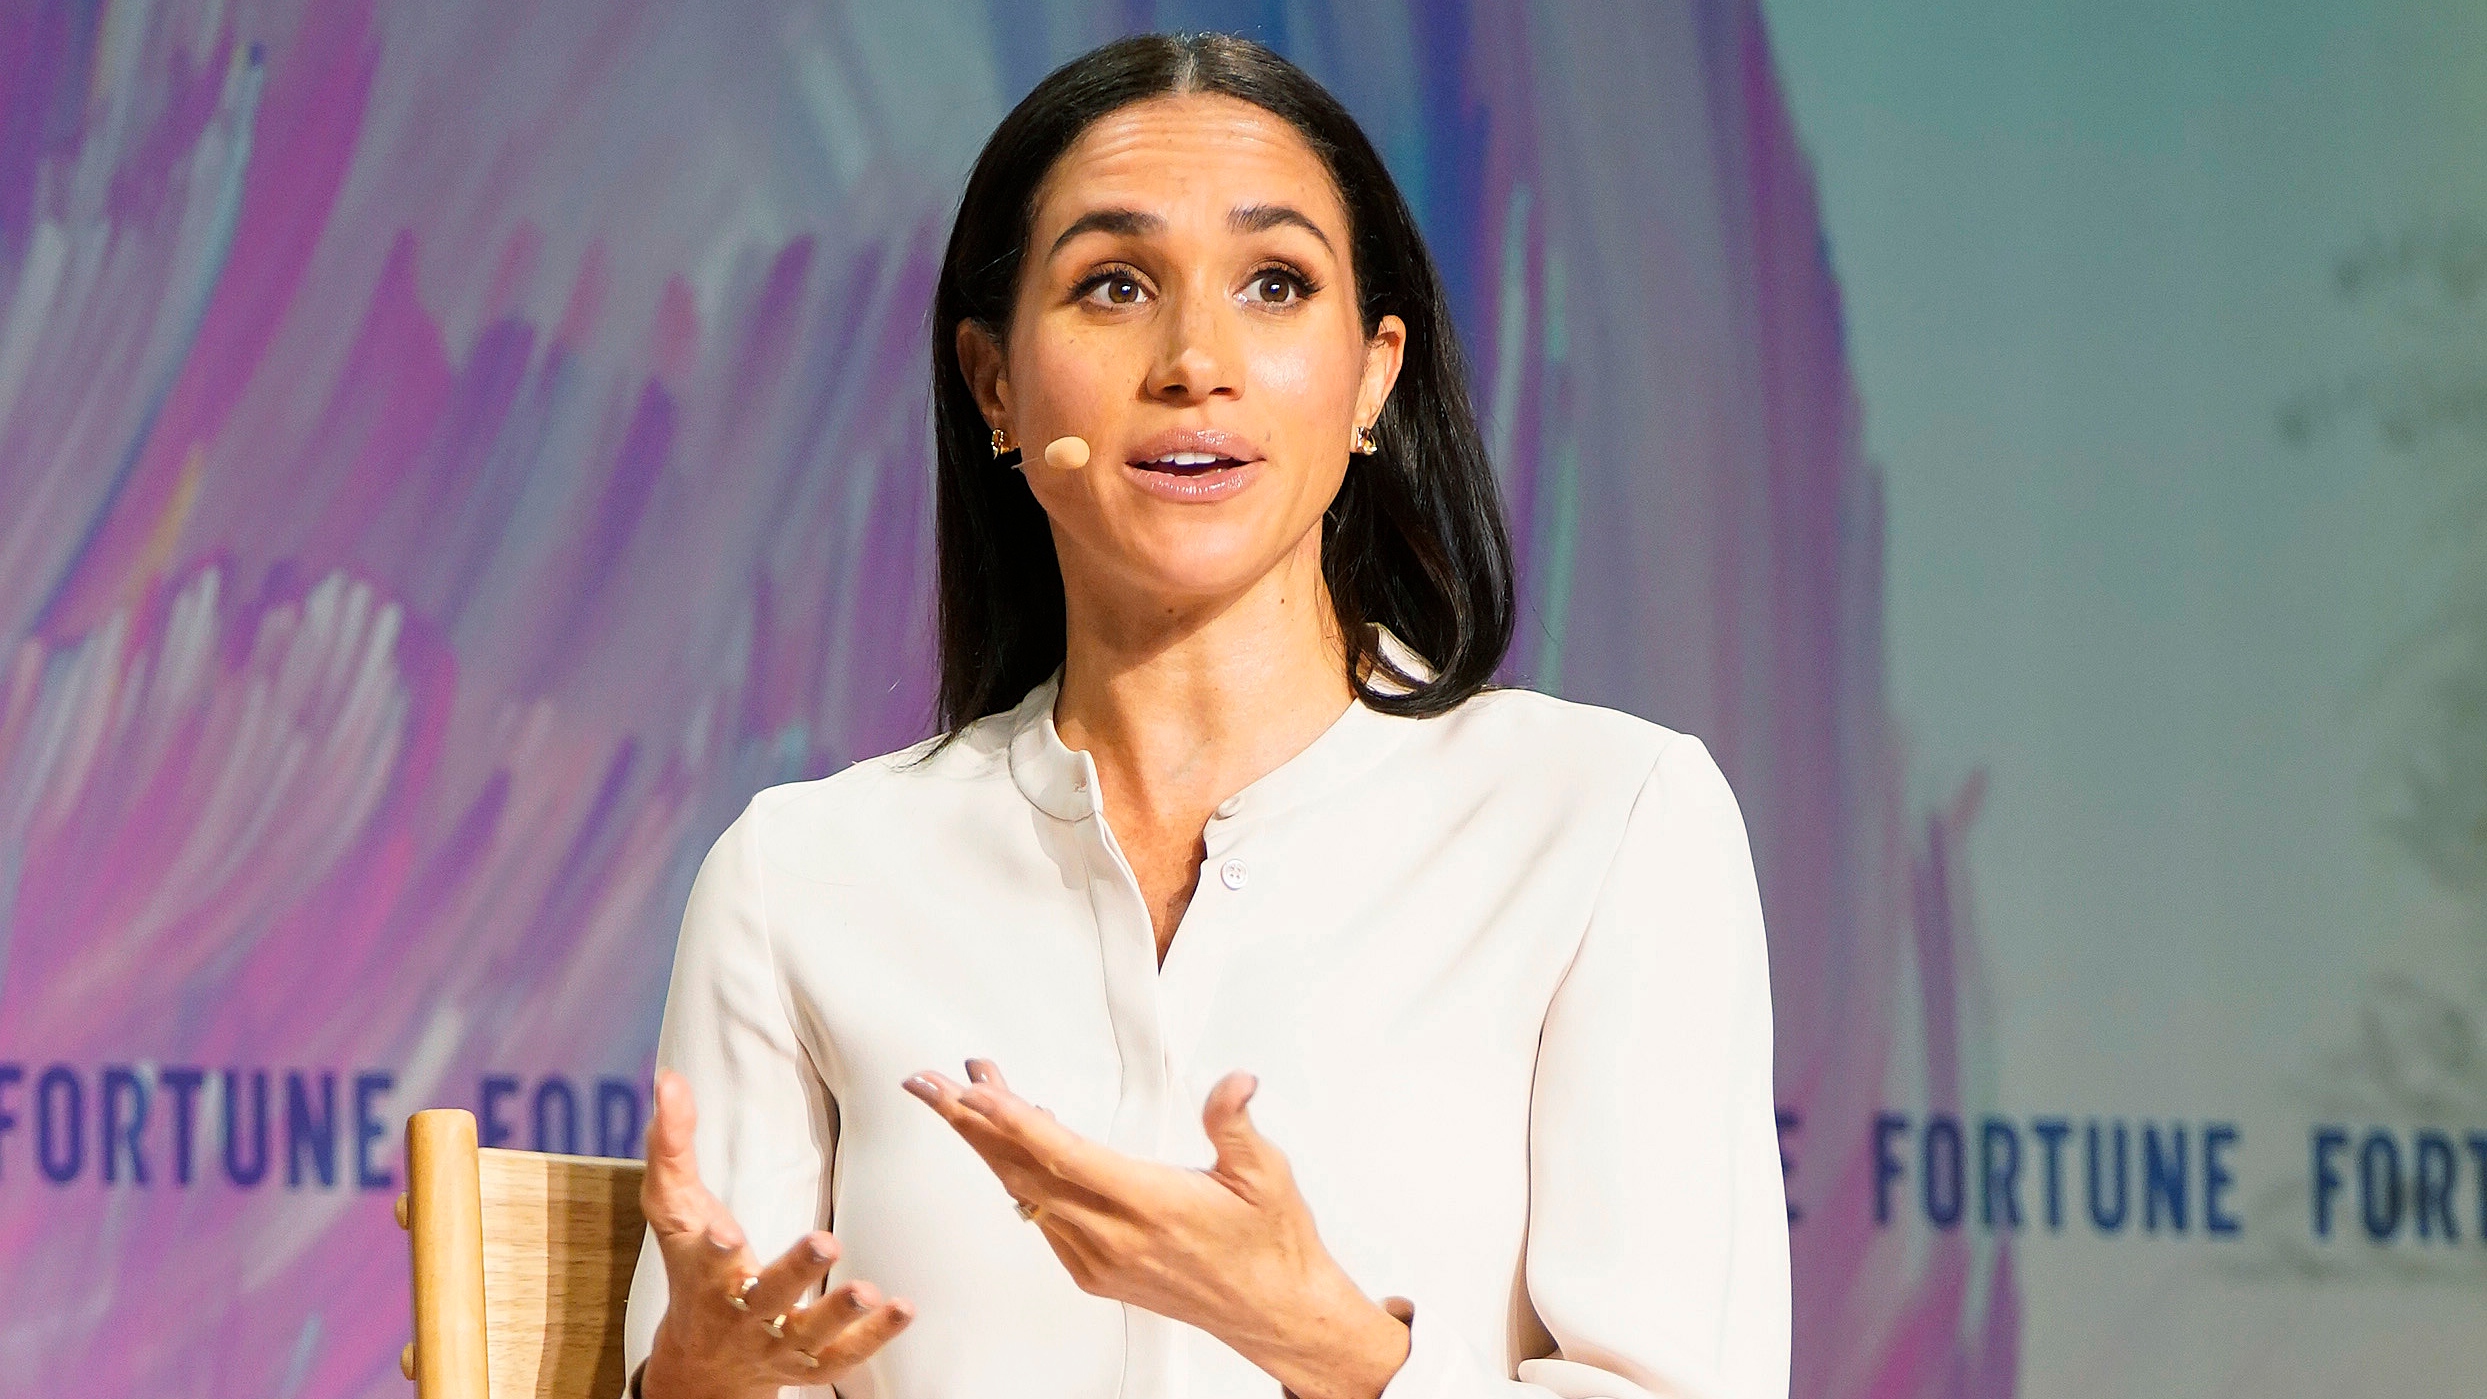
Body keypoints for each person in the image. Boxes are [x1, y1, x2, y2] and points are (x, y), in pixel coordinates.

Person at [620, 29, 1788, 1399]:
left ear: (1370, 378)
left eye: (1276, 284)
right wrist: (687, 1384)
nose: (1195, 360)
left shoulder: (1606, 824)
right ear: (996, 384)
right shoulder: (801, 877)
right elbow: (732, 1359)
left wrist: (1333, 1346)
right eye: (1113, 285)